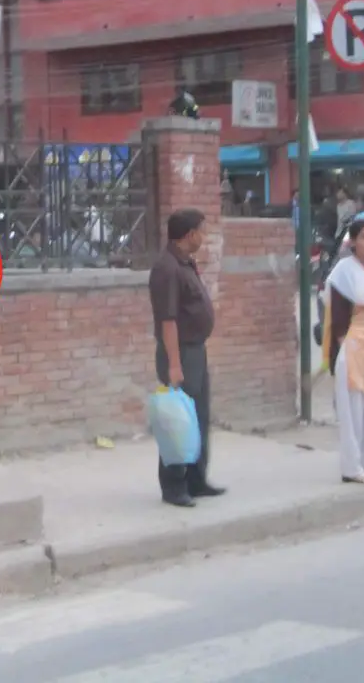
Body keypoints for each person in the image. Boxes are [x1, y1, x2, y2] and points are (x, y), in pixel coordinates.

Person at [148, 208, 226, 508]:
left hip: (196, 350)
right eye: (201, 231)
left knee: (198, 418)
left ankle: (197, 479)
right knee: (177, 421)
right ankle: (173, 485)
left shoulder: (185, 263)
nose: (204, 237)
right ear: (189, 234)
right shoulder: (166, 268)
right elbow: (168, 320)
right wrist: (175, 363)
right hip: (179, 352)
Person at [322, 217, 364, 486]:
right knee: (353, 407)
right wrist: (344, 345)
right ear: (352, 241)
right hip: (354, 342)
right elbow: (338, 314)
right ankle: (352, 468)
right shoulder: (343, 271)